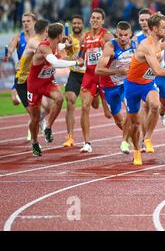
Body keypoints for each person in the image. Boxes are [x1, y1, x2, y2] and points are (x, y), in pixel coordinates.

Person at [124, 12, 165, 165]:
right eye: (164, 28)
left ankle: (148, 138)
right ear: (155, 29)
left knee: (156, 106)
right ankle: (136, 150)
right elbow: (158, 71)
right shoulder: (146, 46)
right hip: (132, 86)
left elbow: (163, 44)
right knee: (134, 123)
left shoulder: (157, 40)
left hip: (147, 84)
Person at [27, 23, 84, 156]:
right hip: (34, 85)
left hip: (47, 82)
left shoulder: (56, 45)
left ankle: (48, 127)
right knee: (35, 118)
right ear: (59, 36)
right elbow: (55, 63)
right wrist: (75, 62)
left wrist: (66, 45)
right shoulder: (44, 48)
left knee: (59, 99)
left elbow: (60, 46)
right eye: (62, 35)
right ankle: (35, 142)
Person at [95, 21, 136, 154]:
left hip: (126, 84)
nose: (123, 38)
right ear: (116, 34)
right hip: (110, 86)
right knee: (118, 119)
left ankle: (125, 141)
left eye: (125, 35)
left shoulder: (135, 45)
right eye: (120, 35)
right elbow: (98, 70)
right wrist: (119, 71)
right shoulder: (110, 46)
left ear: (130, 35)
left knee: (131, 111)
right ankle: (130, 136)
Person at [79, 8, 114, 153]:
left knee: (109, 114)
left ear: (102, 21)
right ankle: (87, 143)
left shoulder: (106, 36)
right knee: (85, 106)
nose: (94, 20)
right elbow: (80, 56)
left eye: (98, 18)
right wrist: (79, 59)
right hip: (89, 76)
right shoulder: (84, 37)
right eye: (93, 17)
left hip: (104, 76)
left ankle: (129, 139)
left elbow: (114, 53)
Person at [14, 18, 52, 141]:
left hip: (34, 80)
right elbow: (43, 50)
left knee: (47, 107)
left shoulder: (43, 41)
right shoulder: (35, 42)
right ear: (46, 30)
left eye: (28, 21)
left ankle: (40, 120)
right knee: (33, 115)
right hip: (22, 81)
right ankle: (35, 142)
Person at [3, 12, 36, 106]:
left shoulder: (39, 37)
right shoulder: (18, 37)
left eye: (28, 21)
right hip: (22, 74)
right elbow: (10, 49)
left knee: (37, 103)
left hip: (35, 74)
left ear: (34, 22)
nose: (25, 23)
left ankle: (39, 118)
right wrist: (7, 55)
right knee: (15, 100)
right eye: (23, 21)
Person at [63, 15, 86, 147]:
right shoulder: (68, 38)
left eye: (78, 23)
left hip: (88, 75)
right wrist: (67, 47)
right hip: (75, 74)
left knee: (89, 104)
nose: (76, 25)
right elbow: (64, 55)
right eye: (74, 23)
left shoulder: (88, 38)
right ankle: (70, 136)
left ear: (83, 25)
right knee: (71, 101)